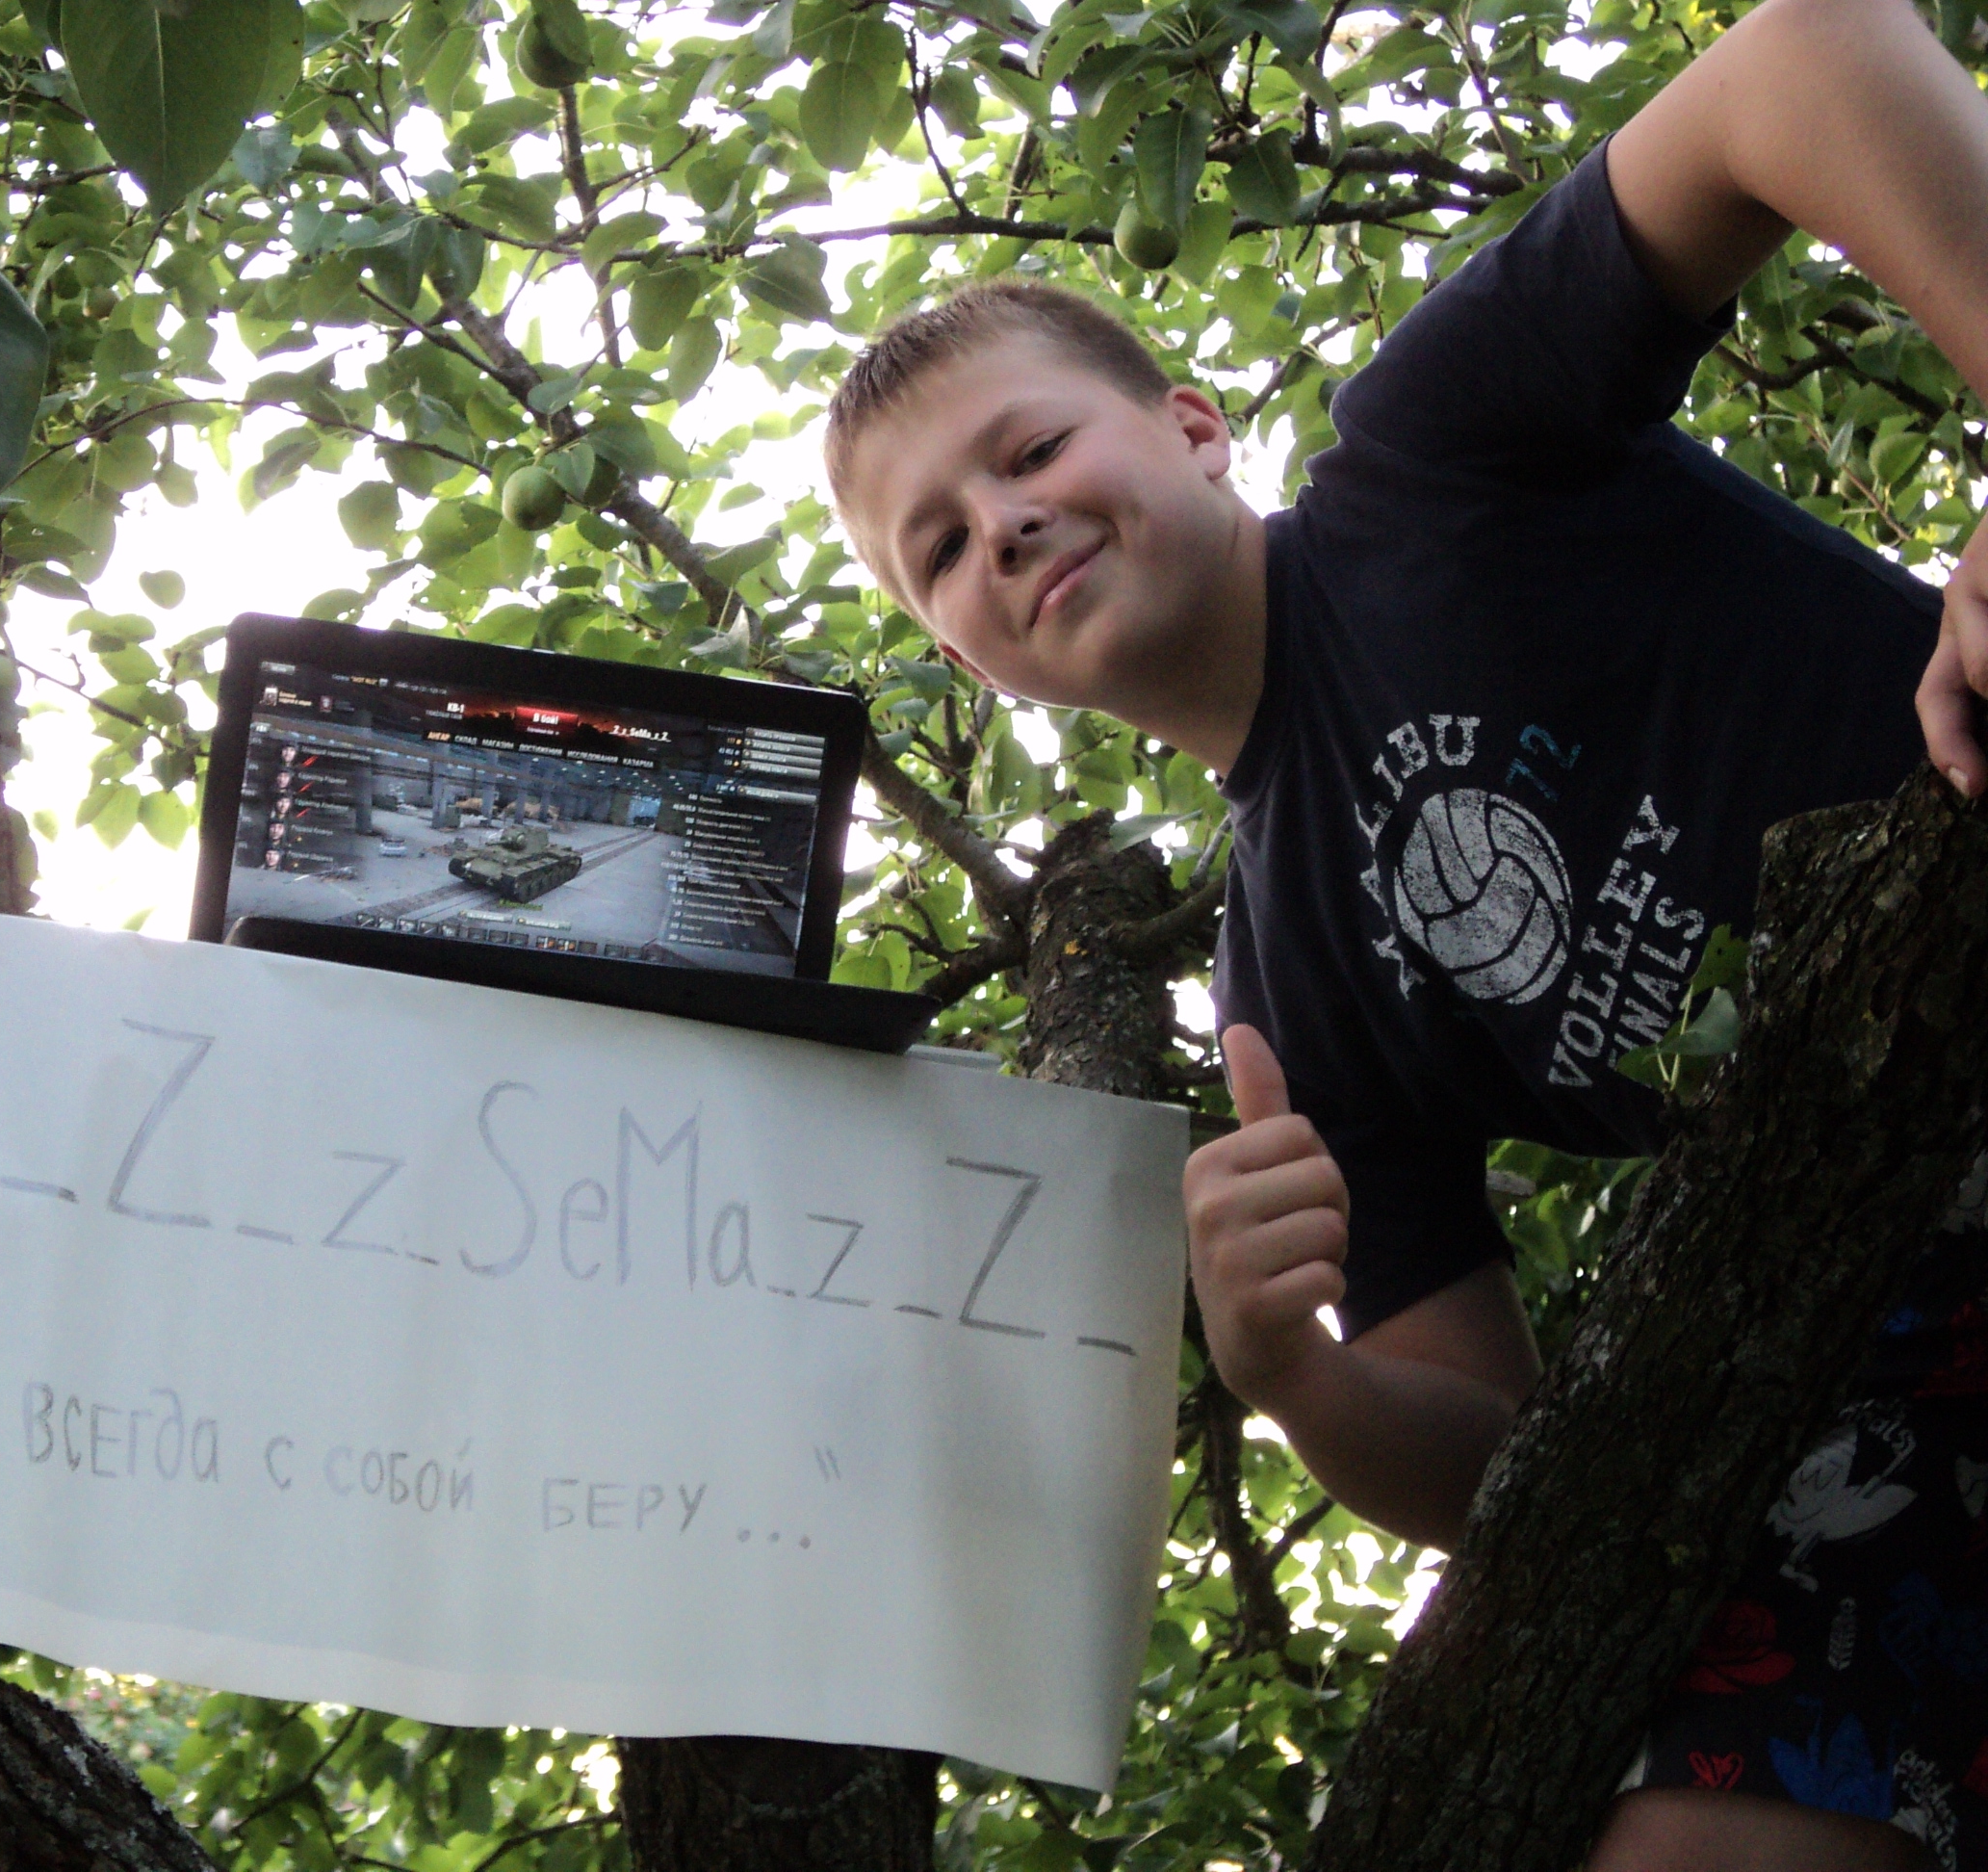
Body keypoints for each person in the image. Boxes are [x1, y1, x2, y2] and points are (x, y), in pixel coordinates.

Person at [819, 0, 1988, 1863]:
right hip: (1927, 1289)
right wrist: (1296, 1377)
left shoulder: (1432, 451)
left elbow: (1808, 55)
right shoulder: (1279, 994)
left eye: (1027, 450)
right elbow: (1505, 1455)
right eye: (940, 549)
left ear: (1194, 430)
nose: (1003, 525)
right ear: (969, 662)